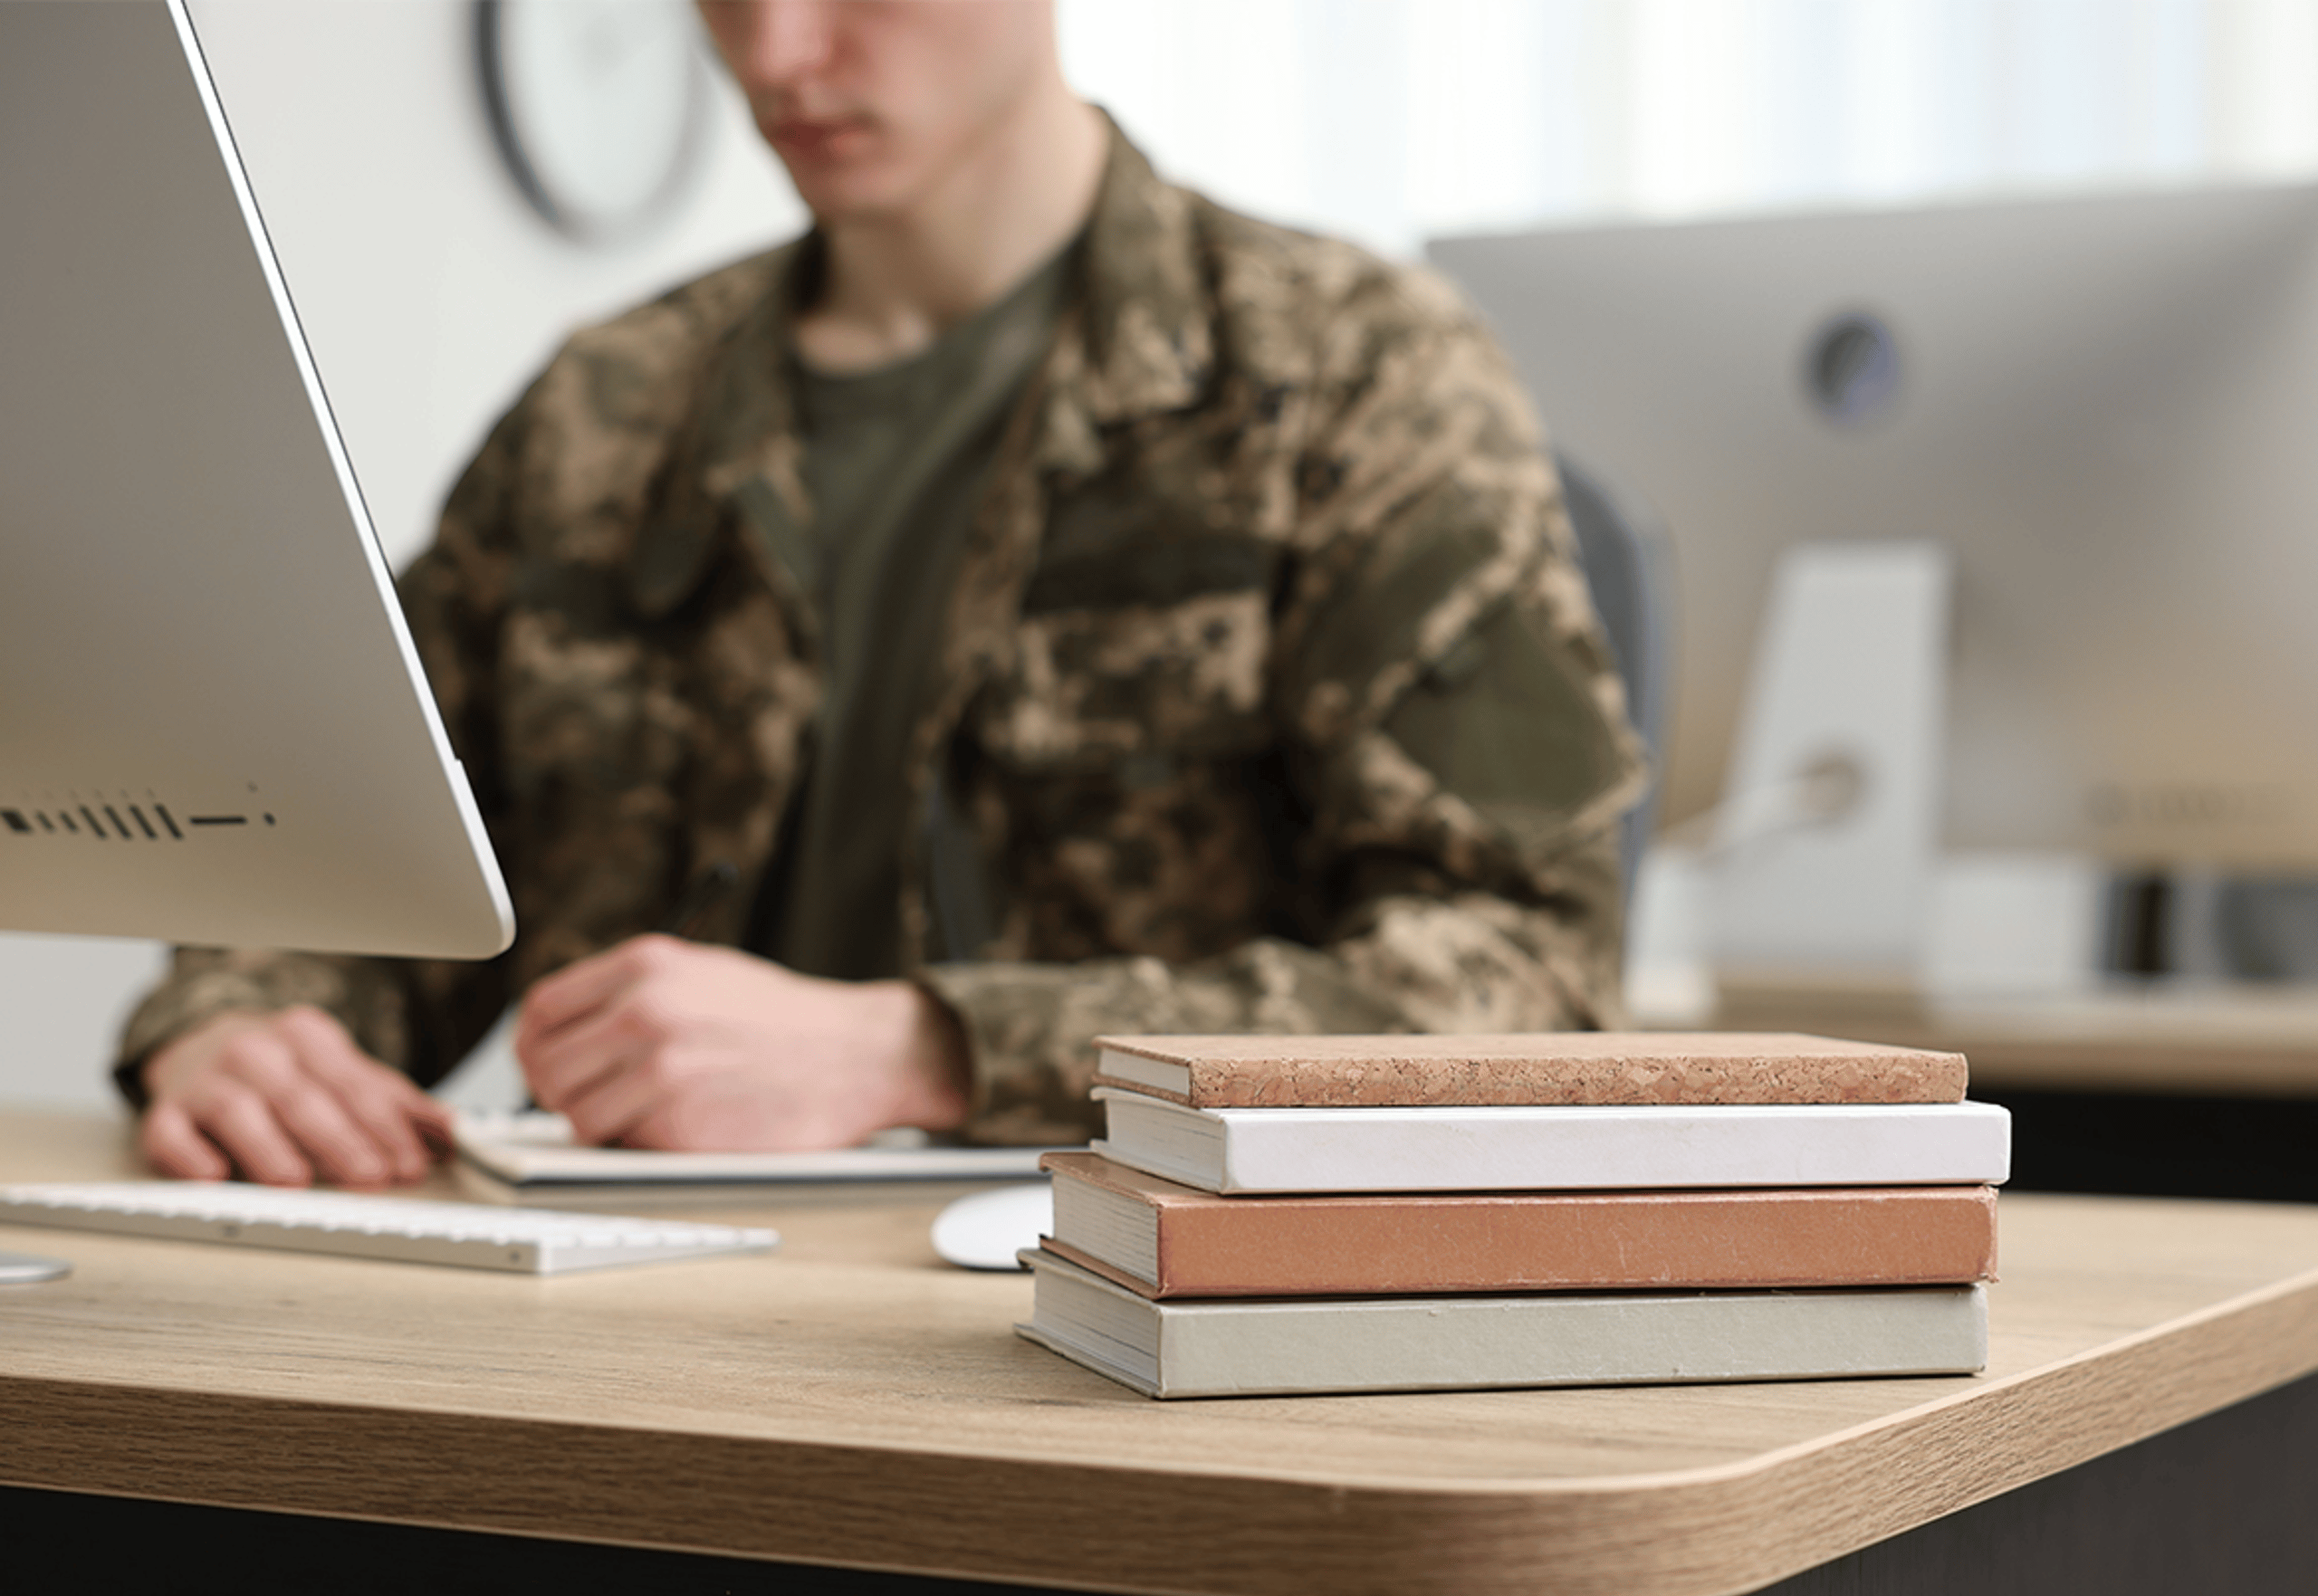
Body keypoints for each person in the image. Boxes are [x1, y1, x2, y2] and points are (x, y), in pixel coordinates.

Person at [118, 0, 1647, 1189]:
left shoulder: (1353, 379)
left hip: (1108, 1352)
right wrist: (243, 1029)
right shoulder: (605, 411)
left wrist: (927, 1052)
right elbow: (359, 873)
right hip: (610, 1341)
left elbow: (1533, 990)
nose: (778, 54)